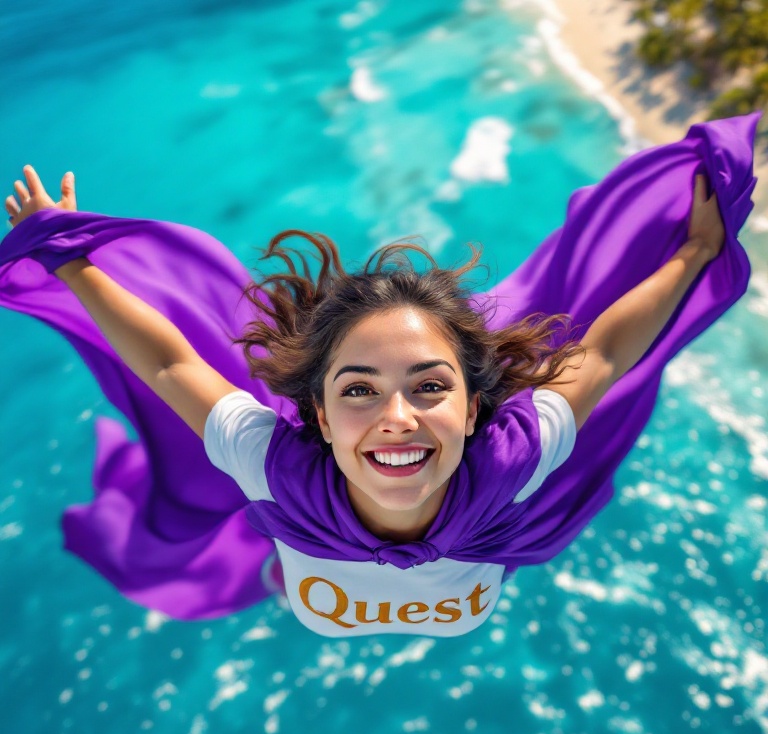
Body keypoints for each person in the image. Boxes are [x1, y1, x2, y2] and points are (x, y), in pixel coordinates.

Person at [0, 113, 759, 636]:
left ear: (472, 410)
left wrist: (693, 254)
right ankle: (273, 569)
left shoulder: (511, 455)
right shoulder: (275, 462)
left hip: (410, 552)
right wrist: (74, 267)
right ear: (321, 418)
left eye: (429, 385)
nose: (397, 416)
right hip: (308, 561)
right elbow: (169, 361)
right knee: (275, 562)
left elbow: (600, 353)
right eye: (359, 389)